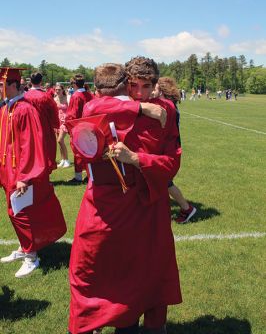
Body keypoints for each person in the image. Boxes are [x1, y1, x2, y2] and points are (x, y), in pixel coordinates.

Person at [68, 62, 182, 334]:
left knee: (150, 278)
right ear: (125, 85)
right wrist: (139, 108)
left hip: (148, 210)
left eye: (147, 87)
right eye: (134, 86)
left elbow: (172, 162)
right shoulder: (113, 108)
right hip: (110, 211)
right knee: (98, 274)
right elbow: (90, 109)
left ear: (155, 84)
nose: (140, 93)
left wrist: (136, 159)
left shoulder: (164, 112)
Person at [0, 67, 67, 278]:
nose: (0, 88)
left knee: (23, 212)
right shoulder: (7, 109)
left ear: (13, 85)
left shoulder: (24, 110)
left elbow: (30, 144)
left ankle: (32, 257)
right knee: (14, 210)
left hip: (22, 171)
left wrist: (25, 177)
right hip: (8, 169)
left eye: (2, 85)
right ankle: (24, 247)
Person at [152, 77, 196, 223]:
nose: (153, 90)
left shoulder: (167, 106)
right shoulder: (169, 104)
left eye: (155, 88)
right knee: (161, 181)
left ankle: (186, 208)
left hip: (167, 148)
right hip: (168, 146)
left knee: (166, 182)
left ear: (162, 90)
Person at [24, 72, 60, 174]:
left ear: (30, 81)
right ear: (41, 81)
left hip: (28, 129)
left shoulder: (25, 97)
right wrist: (55, 125)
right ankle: (44, 174)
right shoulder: (46, 96)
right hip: (44, 128)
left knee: (31, 151)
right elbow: (54, 112)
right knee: (45, 151)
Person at [66, 74, 93, 183]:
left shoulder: (76, 96)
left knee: (78, 152)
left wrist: (69, 127)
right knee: (89, 151)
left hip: (78, 127)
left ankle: (78, 177)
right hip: (90, 127)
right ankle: (90, 175)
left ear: (74, 84)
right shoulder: (89, 95)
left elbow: (73, 114)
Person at [54, 84, 70, 168]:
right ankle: (62, 160)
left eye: (59, 89)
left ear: (62, 90)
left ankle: (67, 160)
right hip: (57, 121)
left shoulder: (67, 98)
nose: (57, 91)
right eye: (56, 89)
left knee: (60, 140)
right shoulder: (54, 99)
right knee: (59, 142)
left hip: (65, 122)